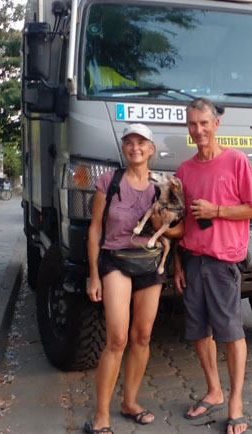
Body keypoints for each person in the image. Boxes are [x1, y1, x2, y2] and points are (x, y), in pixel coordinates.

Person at [84, 123, 182, 434]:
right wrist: (94, 276)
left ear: (152, 149)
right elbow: (95, 229)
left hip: (150, 264)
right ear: (124, 148)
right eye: (129, 142)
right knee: (117, 338)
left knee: (142, 336)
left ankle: (130, 402)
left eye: (141, 142)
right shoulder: (109, 182)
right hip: (116, 261)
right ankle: (101, 414)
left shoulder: (163, 186)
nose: (135, 147)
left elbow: (177, 228)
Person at [173, 98, 252, 434]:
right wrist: (177, 263)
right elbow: (181, 221)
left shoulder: (236, 161)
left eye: (204, 123)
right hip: (192, 259)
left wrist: (217, 211)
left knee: (230, 333)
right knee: (198, 332)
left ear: (216, 125)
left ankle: (236, 401)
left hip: (224, 261)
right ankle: (214, 390)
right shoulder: (184, 170)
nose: (198, 130)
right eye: (193, 124)